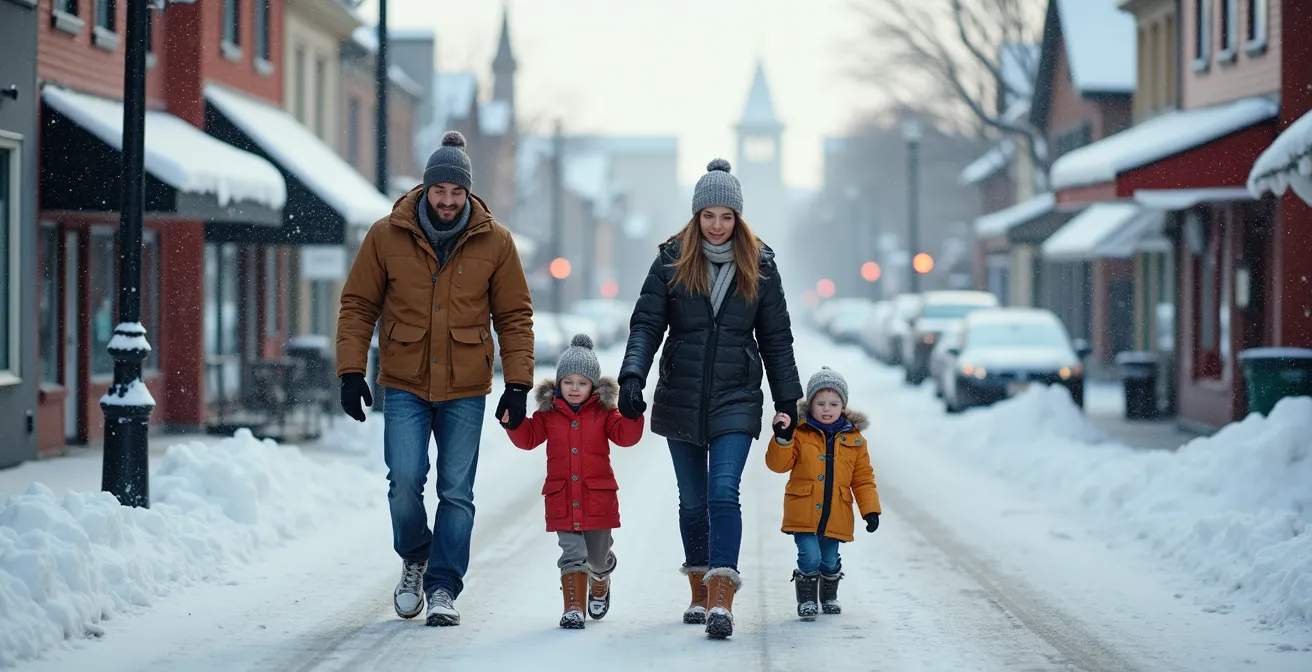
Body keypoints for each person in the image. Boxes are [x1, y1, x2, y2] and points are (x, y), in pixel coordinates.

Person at [336, 130, 535, 627]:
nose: (447, 201)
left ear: (469, 193)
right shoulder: (386, 234)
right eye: (439, 191)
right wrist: (350, 371)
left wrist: (518, 384)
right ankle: (415, 556)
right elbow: (359, 305)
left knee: (456, 490)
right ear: (426, 189)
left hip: (466, 386)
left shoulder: (497, 241)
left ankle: (443, 585)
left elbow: (514, 316)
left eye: (456, 192)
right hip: (403, 379)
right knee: (404, 481)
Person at [618, 158, 803, 639]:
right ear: (696, 216)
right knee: (693, 500)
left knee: (724, 491)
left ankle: (722, 598)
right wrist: (633, 376)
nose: (717, 226)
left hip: (736, 397)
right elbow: (646, 325)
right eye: (709, 216)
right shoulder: (671, 261)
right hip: (681, 393)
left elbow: (777, 340)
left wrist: (788, 402)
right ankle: (698, 589)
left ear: (737, 219)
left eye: (726, 216)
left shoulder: (760, 267)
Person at [503, 334, 644, 629]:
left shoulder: (606, 412)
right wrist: (512, 423)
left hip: (598, 500)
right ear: (558, 383)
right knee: (572, 554)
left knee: (597, 557)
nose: (575, 388)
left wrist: (633, 416)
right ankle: (573, 607)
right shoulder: (548, 414)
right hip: (562, 497)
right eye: (568, 382)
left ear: (593, 385)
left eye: (582, 383)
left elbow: (625, 437)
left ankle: (601, 577)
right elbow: (528, 438)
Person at [766, 367, 881, 620]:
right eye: (820, 403)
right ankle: (807, 599)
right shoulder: (799, 432)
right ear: (810, 404)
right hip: (803, 511)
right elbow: (778, 465)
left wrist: (870, 510)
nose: (827, 409)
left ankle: (828, 594)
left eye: (833, 403)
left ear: (844, 405)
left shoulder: (856, 440)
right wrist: (783, 439)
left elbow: (863, 480)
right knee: (809, 556)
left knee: (829, 560)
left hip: (836, 512)